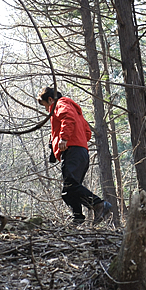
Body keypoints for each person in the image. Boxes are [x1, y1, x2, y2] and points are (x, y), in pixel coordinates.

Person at [38, 87, 112, 225]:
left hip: (73, 151)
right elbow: (87, 133)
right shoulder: (74, 110)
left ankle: (99, 204)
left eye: (46, 106)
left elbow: (68, 118)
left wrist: (64, 138)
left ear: (50, 99)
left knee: (71, 185)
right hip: (81, 152)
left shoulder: (61, 104)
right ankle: (77, 218)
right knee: (69, 190)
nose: (47, 110)